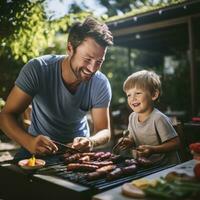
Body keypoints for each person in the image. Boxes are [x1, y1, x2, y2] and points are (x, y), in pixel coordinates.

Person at [0, 16, 113, 159]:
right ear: (69, 48)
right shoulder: (38, 69)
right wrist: (28, 142)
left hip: (77, 155)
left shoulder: (100, 83)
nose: (92, 68)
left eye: (99, 62)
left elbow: (104, 130)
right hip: (35, 150)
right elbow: (5, 116)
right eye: (87, 59)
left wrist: (91, 141)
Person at [117, 70, 181, 165]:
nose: (132, 98)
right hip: (148, 165)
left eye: (138, 93)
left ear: (154, 95)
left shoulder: (158, 118)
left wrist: (153, 150)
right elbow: (132, 138)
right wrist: (128, 141)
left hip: (166, 167)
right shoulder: (132, 117)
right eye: (129, 95)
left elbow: (175, 143)